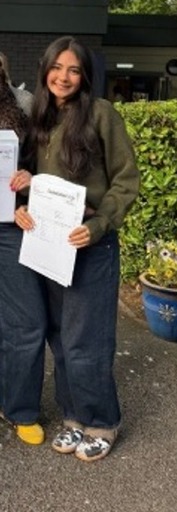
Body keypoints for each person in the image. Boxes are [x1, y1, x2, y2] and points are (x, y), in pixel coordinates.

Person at [11, 36, 140, 460]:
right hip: (47, 243)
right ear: (45, 70)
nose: (63, 77)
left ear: (85, 76)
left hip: (89, 244)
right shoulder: (39, 118)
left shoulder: (102, 114)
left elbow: (126, 180)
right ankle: (73, 417)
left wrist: (100, 224)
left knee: (89, 341)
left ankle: (102, 421)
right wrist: (22, 203)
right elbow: (29, 176)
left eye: (74, 69)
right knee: (61, 338)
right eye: (57, 68)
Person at [0, 53, 40, 444]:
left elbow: (47, 165)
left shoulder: (24, 105)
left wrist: (31, 187)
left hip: (13, 225)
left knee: (26, 322)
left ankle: (19, 407)